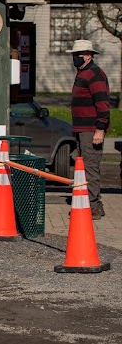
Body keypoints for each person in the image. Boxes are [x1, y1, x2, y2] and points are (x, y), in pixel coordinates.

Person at [67, 39, 110, 219]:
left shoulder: (94, 74)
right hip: (81, 128)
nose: (75, 58)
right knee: (81, 165)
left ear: (88, 56)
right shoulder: (83, 73)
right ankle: (91, 203)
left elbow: (103, 105)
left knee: (90, 166)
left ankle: (92, 206)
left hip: (90, 129)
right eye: (74, 55)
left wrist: (100, 129)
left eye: (79, 54)